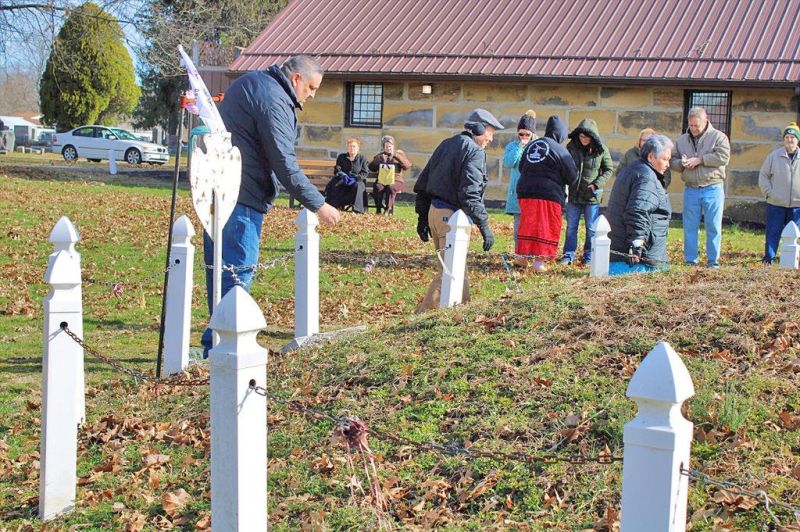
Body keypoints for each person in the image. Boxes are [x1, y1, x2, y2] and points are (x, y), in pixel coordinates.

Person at [200, 55, 340, 354]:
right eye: (312, 87)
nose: (312, 95)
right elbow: (284, 163)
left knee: (219, 275)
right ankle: (226, 351)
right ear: (296, 79)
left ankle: (215, 346)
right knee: (236, 276)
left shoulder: (251, 82)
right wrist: (320, 204)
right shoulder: (274, 100)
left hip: (218, 193)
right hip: (242, 199)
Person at [413, 108, 504, 313]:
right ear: (480, 128)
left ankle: (463, 311)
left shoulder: (446, 144)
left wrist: (422, 217)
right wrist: (484, 225)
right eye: (490, 132)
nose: (491, 138)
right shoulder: (474, 151)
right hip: (451, 218)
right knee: (450, 272)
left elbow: (424, 182)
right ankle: (421, 316)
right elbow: (470, 194)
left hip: (435, 214)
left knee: (458, 269)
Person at [515, 115, 578, 271]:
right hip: (548, 194)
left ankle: (522, 257)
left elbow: (521, 166)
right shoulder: (559, 149)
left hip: (525, 191)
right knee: (545, 226)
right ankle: (538, 263)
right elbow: (573, 175)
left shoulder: (532, 144)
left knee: (528, 224)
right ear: (560, 134)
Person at [670, 107, 730, 268]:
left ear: (706, 121)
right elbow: (672, 161)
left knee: (713, 226)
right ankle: (690, 260)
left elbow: (723, 156)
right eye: (691, 125)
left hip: (713, 187)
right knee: (690, 226)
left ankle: (713, 262)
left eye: (697, 125)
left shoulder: (719, 137)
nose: (694, 129)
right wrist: (681, 164)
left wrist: (700, 160)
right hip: (691, 188)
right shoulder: (682, 140)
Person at [606, 135, 673, 275]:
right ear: (650, 157)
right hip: (638, 261)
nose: (668, 164)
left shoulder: (635, 169)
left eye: (669, 160)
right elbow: (638, 211)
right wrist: (637, 244)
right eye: (664, 159)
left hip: (629, 253)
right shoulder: (646, 176)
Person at [561, 118, 613, 266]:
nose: (584, 139)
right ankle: (568, 255)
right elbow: (564, 166)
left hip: (592, 196)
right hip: (573, 194)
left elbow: (609, 169)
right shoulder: (570, 147)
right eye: (581, 136)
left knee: (591, 228)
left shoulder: (601, 149)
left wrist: (597, 184)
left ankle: (588, 257)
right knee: (571, 227)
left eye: (587, 137)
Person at [758, 122, 800, 265]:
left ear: (797, 140)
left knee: (796, 235)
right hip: (775, 203)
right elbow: (763, 176)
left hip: (797, 205)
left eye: (793, 137)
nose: (790, 140)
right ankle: (769, 259)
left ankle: (795, 259)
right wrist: (769, 193)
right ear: (784, 139)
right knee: (773, 232)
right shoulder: (774, 156)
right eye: (787, 137)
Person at [503, 110, 537, 246]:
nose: (524, 137)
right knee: (518, 227)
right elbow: (508, 163)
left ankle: (530, 253)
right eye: (521, 134)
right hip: (516, 192)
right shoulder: (512, 146)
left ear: (532, 134)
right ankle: (519, 253)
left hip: (533, 191)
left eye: (527, 134)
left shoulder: (538, 145)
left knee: (532, 226)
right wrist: (519, 148)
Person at [369, 135, 411, 215]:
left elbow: (407, 166)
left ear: (393, 146)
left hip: (397, 181)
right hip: (382, 180)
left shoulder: (399, 155)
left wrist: (396, 155)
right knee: (378, 187)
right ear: (384, 147)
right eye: (386, 146)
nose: (388, 148)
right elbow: (371, 168)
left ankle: (388, 209)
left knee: (391, 187)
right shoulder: (380, 155)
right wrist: (377, 160)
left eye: (390, 146)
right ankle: (378, 210)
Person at [325, 137, 369, 213]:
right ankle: (334, 206)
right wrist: (343, 175)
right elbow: (337, 169)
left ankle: (357, 210)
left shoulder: (362, 158)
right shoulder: (342, 157)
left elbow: (365, 172)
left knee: (358, 186)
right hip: (343, 178)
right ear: (347, 148)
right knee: (336, 183)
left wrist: (356, 178)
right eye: (350, 146)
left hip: (356, 180)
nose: (352, 148)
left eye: (354, 146)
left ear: (358, 148)